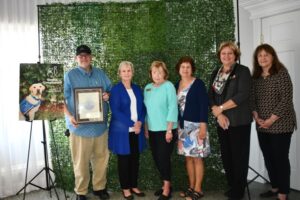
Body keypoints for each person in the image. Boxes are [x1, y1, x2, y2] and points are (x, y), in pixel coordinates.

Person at [64, 45, 111, 200]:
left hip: (100, 128)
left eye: (86, 55)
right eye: (80, 56)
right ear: (76, 58)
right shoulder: (70, 75)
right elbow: (60, 99)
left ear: (91, 57)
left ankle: (99, 188)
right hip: (79, 129)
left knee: (101, 160)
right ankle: (81, 191)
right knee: (80, 163)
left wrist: (107, 95)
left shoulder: (100, 73)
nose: (83, 58)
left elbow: (110, 90)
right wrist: (69, 116)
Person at [251, 44, 297, 200]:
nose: (263, 58)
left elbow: (286, 100)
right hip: (262, 124)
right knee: (268, 157)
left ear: (272, 57)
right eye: (260, 56)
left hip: (281, 124)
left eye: (266, 55)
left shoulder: (281, 73)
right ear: (256, 59)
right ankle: (275, 187)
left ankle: (283, 193)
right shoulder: (255, 77)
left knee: (280, 158)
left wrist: (271, 120)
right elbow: (253, 100)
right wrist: (257, 117)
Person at [208, 41, 252, 200]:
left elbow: (242, 95)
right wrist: (218, 114)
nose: (226, 56)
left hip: (239, 121)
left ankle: (239, 190)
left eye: (230, 53)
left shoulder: (243, 71)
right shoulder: (216, 72)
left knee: (239, 156)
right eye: (223, 53)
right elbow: (211, 96)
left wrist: (221, 109)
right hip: (222, 121)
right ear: (219, 56)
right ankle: (232, 185)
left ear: (235, 55)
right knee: (227, 155)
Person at [108, 61, 146, 200]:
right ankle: (125, 188)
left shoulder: (136, 88)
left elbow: (143, 107)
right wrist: (132, 124)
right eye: (123, 71)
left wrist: (140, 122)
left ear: (132, 72)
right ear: (119, 73)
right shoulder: (116, 89)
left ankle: (133, 185)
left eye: (128, 70)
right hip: (122, 132)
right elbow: (116, 111)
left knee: (135, 159)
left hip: (136, 130)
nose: (126, 73)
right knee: (124, 160)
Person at [175, 56, 209, 200]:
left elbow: (203, 106)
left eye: (188, 67)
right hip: (183, 128)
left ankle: (198, 189)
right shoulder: (176, 84)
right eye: (183, 67)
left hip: (196, 127)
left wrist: (203, 127)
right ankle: (191, 186)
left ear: (192, 69)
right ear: (179, 69)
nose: (185, 70)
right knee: (188, 158)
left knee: (197, 159)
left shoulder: (198, 84)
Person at [144, 61, 178, 200]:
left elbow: (172, 107)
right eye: (154, 72)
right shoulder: (147, 88)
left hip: (166, 130)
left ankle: (167, 189)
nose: (157, 75)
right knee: (157, 159)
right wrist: (146, 128)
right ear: (151, 74)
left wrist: (169, 130)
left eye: (160, 72)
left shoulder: (168, 86)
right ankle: (166, 184)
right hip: (152, 130)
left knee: (163, 159)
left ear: (165, 73)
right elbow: (145, 110)